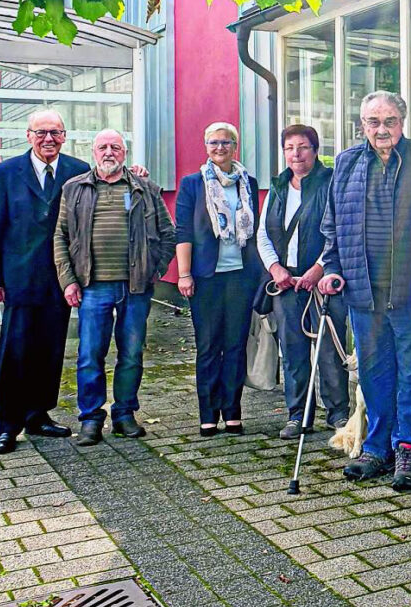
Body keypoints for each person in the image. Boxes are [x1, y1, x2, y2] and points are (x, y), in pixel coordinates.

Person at [318, 91, 411, 491]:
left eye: (389, 121)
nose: (382, 129)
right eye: (373, 122)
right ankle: (377, 448)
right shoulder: (346, 163)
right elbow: (331, 224)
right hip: (363, 290)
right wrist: (333, 268)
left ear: (402, 123)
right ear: (362, 126)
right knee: (374, 373)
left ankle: (407, 448)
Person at [53, 129, 175, 446]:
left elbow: (168, 234)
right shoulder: (74, 188)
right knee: (90, 356)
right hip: (92, 288)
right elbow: (60, 238)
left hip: (135, 288)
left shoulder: (144, 188)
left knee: (131, 354)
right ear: (93, 152)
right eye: (103, 147)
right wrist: (68, 281)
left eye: (115, 147)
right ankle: (91, 419)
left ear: (124, 152)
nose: (109, 152)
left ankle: (124, 415)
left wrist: (154, 270)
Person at [0, 110, 89, 453]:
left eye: (56, 133)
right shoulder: (4, 173)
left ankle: (38, 415)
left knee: (50, 349)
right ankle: (6, 424)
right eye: (42, 132)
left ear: (64, 136)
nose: (49, 139)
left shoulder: (77, 170)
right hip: (19, 278)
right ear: (28, 135)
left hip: (60, 279)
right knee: (14, 352)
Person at [257, 124, 350, 438]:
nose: (296, 154)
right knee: (293, 349)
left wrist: (319, 268)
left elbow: (339, 232)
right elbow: (263, 235)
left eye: (303, 147)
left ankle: (338, 414)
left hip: (322, 283)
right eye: (289, 148)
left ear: (314, 149)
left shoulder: (330, 183)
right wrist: (275, 269)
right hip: (286, 283)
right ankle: (298, 415)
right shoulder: (278, 186)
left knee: (328, 349)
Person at [175, 122, 262, 437]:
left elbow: (255, 231)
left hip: (240, 276)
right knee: (209, 345)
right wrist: (184, 274)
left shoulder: (247, 182)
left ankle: (233, 412)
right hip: (206, 277)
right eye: (214, 142)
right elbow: (183, 230)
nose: (220, 148)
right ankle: (208, 414)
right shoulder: (192, 184)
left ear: (234, 146)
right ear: (206, 145)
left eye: (226, 142)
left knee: (236, 345)